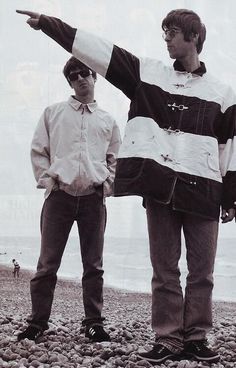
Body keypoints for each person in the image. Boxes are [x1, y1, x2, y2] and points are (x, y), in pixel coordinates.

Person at [16, 8, 236, 363]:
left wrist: (231, 196)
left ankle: (196, 338)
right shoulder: (145, 73)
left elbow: (230, 148)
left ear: (194, 37)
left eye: (173, 32)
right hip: (160, 189)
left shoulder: (222, 92)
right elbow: (99, 51)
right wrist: (50, 26)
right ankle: (168, 339)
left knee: (202, 272)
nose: (165, 37)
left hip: (204, 190)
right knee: (164, 270)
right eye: (164, 31)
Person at [16, 56, 121, 342]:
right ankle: (37, 323)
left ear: (95, 76)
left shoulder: (108, 120)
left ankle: (94, 323)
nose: (81, 78)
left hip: (92, 200)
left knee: (94, 266)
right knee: (47, 265)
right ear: (70, 81)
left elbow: (115, 158)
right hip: (59, 198)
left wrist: (106, 186)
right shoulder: (53, 112)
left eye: (86, 73)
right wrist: (49, 181)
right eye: (74, 75)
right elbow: (39, 150)